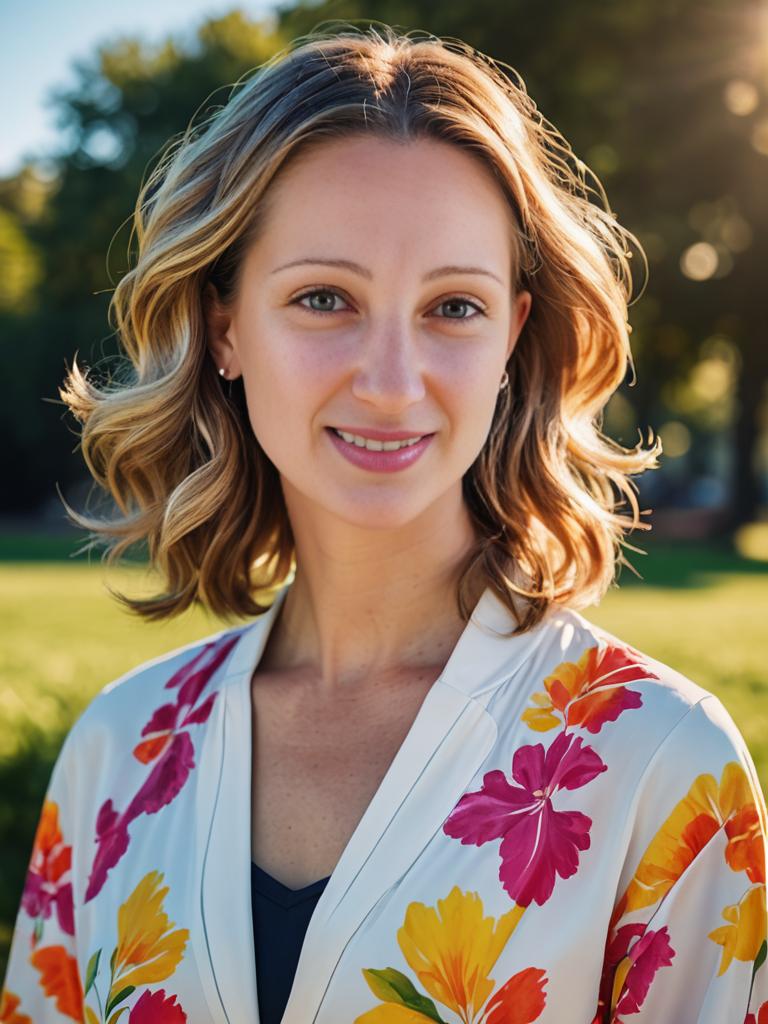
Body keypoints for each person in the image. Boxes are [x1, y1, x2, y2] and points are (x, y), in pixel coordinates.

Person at [2, 21, 766, 1024]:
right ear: (226, 325)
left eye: (454, 307)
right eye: (325, 297)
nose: (394, 383)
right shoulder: (118, 753)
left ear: (512, 338)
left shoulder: (664, 768)